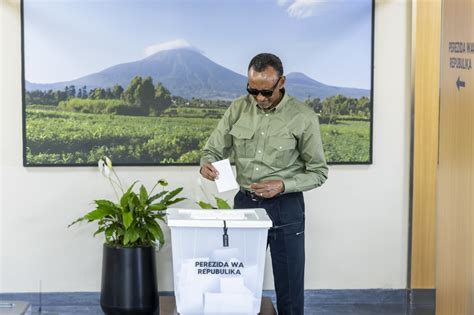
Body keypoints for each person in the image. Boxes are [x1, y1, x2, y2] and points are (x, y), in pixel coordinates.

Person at [200, 53, 328, 315]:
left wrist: (282, 185)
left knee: (290, 289)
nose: (259, 98)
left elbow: (319, 172)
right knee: (237, 283)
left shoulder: (303, 117)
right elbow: (212, 149)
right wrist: (207, 163)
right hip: (245, 206)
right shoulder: (237, 108)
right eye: (253, 90)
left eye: (266, 92)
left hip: (286, 207)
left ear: (281, 82)